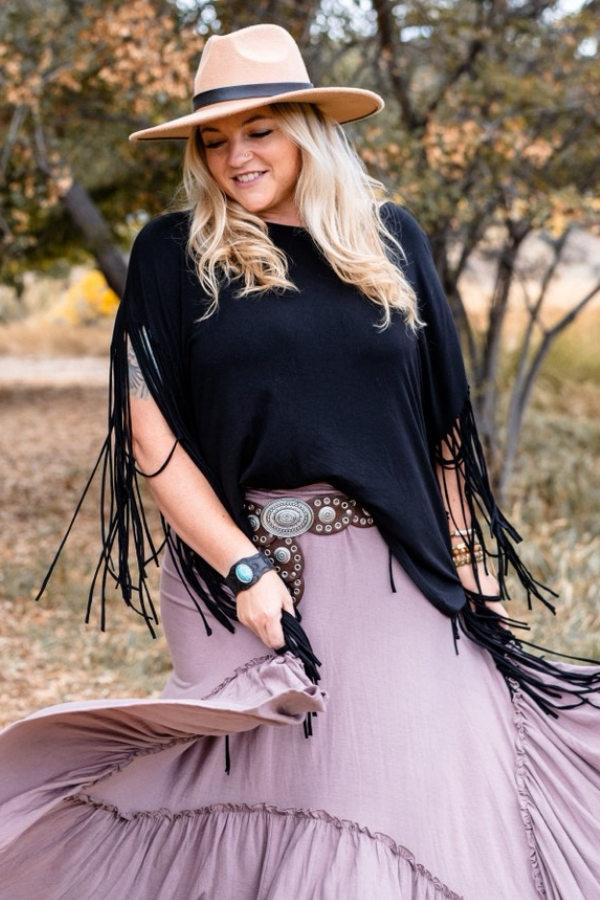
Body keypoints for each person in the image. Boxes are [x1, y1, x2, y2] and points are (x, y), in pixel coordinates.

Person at [0, 23, 599, 900]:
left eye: (259, 129)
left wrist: (473, 563)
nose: (235, 155)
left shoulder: (391, 239)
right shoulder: (173, 253)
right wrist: (243, 568)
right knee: (274, 793)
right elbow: (149, 435)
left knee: (418, 794)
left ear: (309, 128)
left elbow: (443, 428)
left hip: (397, 571)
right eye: (214, 138)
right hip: (242, 571)